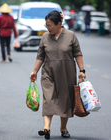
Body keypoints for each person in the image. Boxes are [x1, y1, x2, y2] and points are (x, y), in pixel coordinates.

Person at [29, 10, 86, 139]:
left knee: (65, 99)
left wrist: (82, 71)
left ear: (59, 24)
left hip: (67, 72)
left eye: (50, 25)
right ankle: (46, 128)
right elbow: (40, 56)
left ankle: (63, 128)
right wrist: (34, 71)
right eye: (46, 26)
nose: (48, 28)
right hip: (48, 71)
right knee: (48, 98)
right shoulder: (45, 37)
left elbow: (78, 53)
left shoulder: (70, 35)